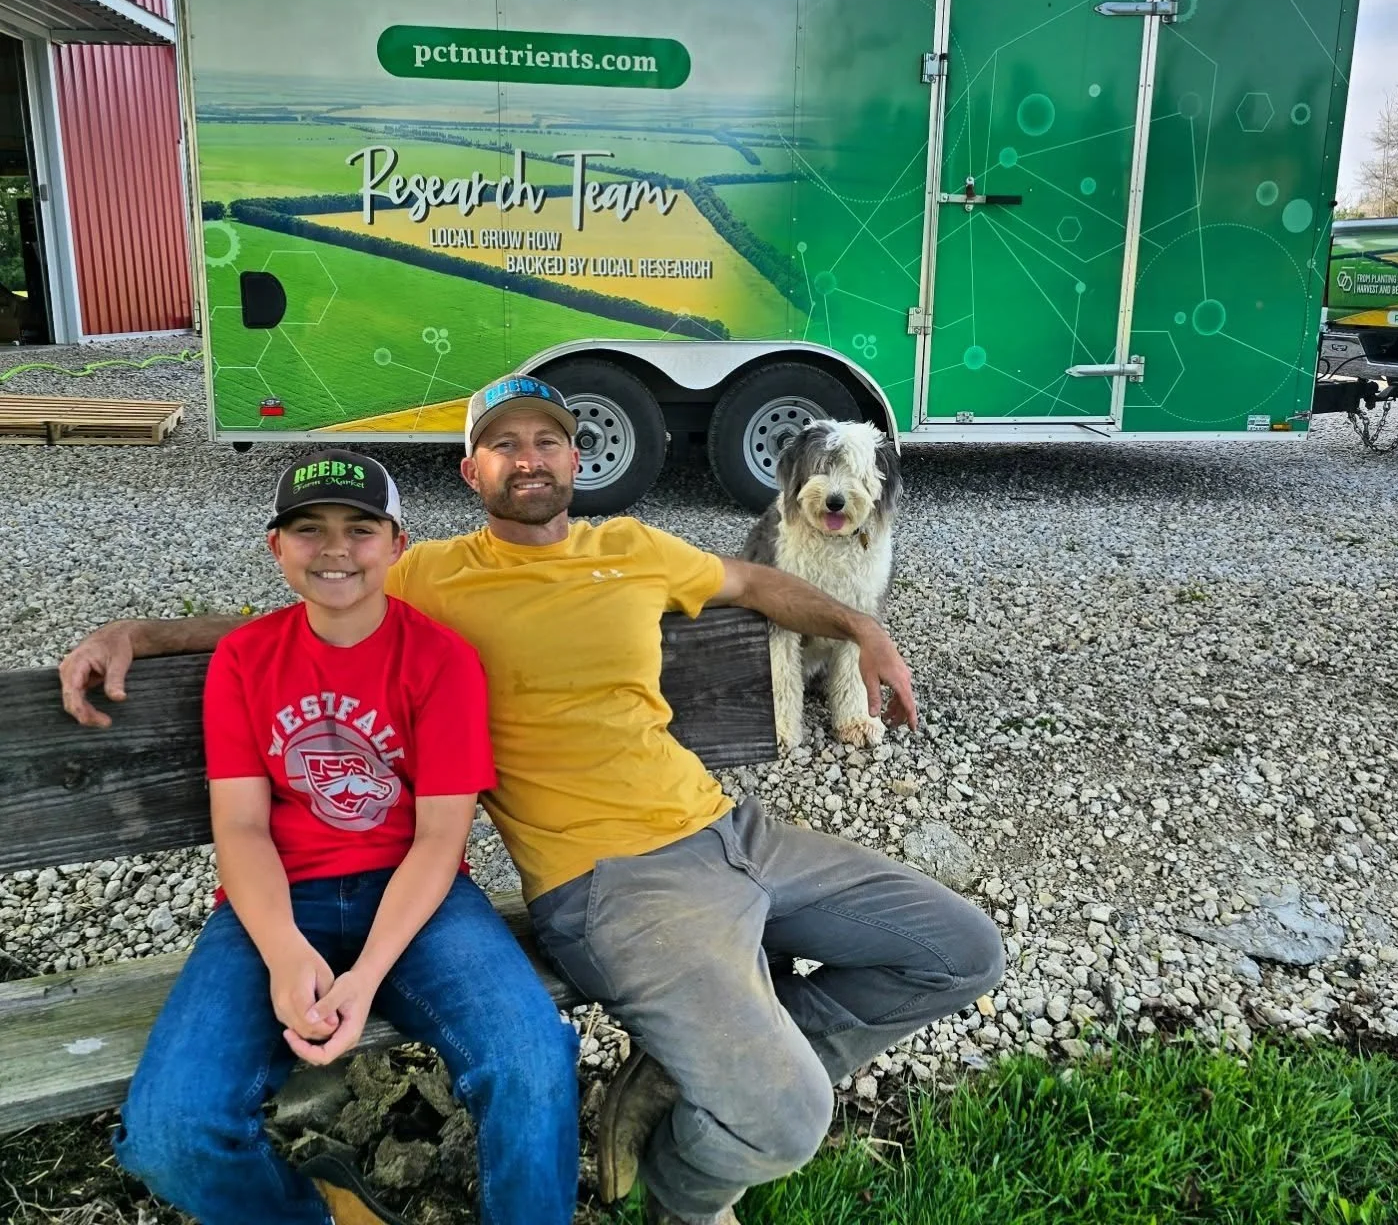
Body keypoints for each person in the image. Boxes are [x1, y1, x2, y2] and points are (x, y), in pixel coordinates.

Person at [63, 376, 1005, 1225]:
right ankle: (688, 1191)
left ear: (577, 454)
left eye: (545, 440)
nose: (528, 458)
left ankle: (687, 1079)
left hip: (728, 829)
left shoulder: (635, 547)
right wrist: (136, 634)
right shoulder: (428, 575)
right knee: (790, 1118)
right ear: (471, 470)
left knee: (962, 952)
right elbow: (295, 613)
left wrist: (860, 626)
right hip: (614, 882)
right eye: (504, 444)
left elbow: (755, 580)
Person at [108, 448, 579, 1225]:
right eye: (308, 529)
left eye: (360, 529)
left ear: (397, 544)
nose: (334, 548)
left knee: (532, 1063)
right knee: (171, 1132)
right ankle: (316, 1213)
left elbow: (438, 841)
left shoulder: (441, 660)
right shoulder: (245, 659)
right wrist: (289, 951)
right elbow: (243, 825)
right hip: (275, 902)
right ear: (276, 548)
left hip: (417, 899)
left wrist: (362, 981)